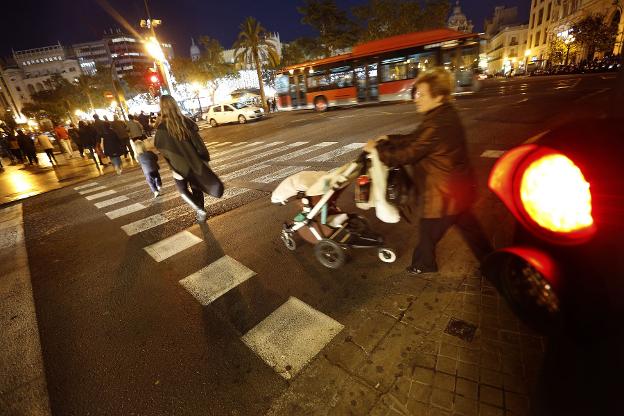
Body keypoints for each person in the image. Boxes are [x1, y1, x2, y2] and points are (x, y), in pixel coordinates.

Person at [364, 68, 491, 275]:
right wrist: (390, 138)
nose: (416, 99)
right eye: (416, 93)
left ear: (438, 96)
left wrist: (376, 149)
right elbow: (416, 139)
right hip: (458, 189)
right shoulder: (443, 114)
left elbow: (408, 154)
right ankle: (492, 263)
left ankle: (424, 264)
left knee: (429, 230)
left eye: (422, 94)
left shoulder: (437, 124)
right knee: (470, 229)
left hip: (444, 194)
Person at [155, 95, 224, 222]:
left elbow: (160, 146)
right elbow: (199, 144)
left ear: (162, 108)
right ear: (175, 105)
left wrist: (172, 159)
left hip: (178, 166)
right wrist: (204, 159)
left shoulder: (161, 128)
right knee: (196, 188)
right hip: (195, 162)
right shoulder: (187, 122)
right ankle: (201, 212)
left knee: (182, 190)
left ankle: (199, 209)